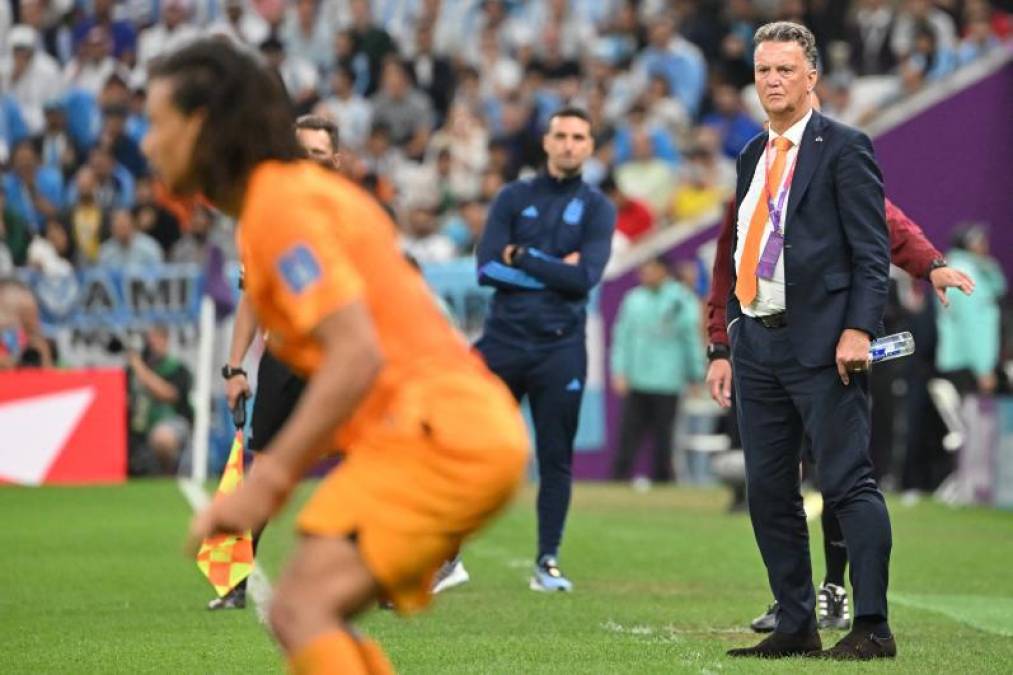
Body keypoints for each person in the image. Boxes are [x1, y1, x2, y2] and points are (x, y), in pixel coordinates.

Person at [152, 41, 527, 674]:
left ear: (201, 125)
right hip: (438, 429)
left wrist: (265, 482)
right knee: (301, 611)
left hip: (437, 433)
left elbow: (355, 354)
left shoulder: (282, 208)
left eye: (157, 120)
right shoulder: (283, 204)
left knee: (300, 610)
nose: (148, 140)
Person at [706, 192, 975, 631]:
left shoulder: (834, 160)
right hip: (765, 347)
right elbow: (726, 266)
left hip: (834, 347)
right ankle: (793, 600)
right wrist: (720, 343)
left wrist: (930, 264)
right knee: (774, 480)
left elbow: (890, 221)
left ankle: (835, 588)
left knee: (840, 473)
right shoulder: (753, 168)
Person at [721, 22, 895, 660]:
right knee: (768, 490)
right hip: (758, 344)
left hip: (824, 344)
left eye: (785, 70)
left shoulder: (845, 147)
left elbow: (872, 254)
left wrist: (858, 329)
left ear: (812, 76)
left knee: (848, 483)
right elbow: (743, 245)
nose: (772, 80)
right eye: (764, 70)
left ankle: (873, 626)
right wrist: (732, 331)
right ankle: (795, 623)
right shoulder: (750, 155)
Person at [475, 106, 616, 592]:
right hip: (502, 344)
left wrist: (524, 256)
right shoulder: (514, 196)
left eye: (579, 136)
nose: (569, 144)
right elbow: (485, 270)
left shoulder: (598, 207)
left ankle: (547, 561)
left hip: (560, 349)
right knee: (469, 449)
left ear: (590, 146)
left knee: (555, 457)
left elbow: (584, 279)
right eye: (561, 135)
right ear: (547, 142)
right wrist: (554, 270)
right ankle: (442, 556)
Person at [610, 257, 704, 483]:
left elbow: (690, 338)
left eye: (651, 269)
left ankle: (664, 481)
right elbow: (622, 337)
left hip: (668, 380)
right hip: (638, 379)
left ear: (664, 271)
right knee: (628, 435)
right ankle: (618, 480)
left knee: (665, 437)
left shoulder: (680, 299)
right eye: (643, 270)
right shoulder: (634, 299)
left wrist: (695, 375)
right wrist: (619, 371)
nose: (646, 274)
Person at [126, 325, 194, 475]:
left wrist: (139, 367)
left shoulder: (177, 368)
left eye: (156, 339)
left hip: (172, 423)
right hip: (139, 427)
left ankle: (170, 474)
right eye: (149, 340)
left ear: (165, 340)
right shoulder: (134, 370)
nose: (152, 344)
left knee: (162, 438)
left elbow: (169, 394)